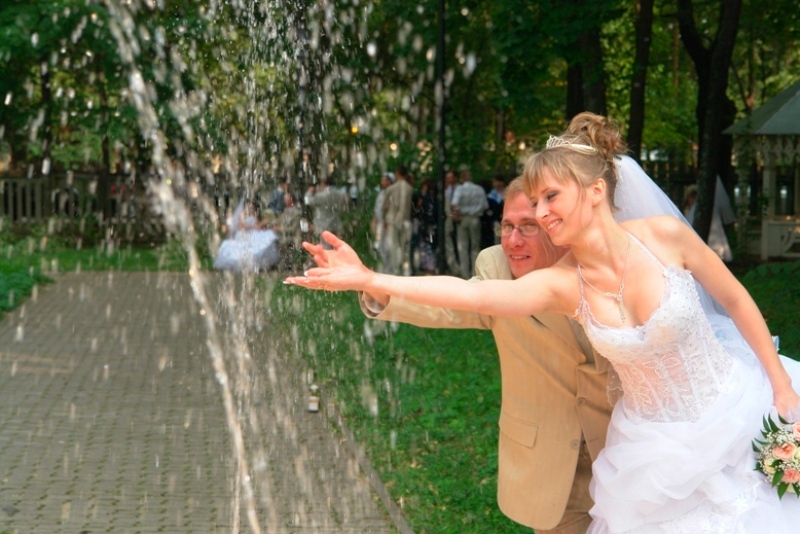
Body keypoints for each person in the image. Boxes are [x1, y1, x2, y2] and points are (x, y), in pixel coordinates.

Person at [287, 113, 800, 532]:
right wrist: (370, 278)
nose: (542, 211)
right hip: (651, 458)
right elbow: (473, 294)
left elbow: (735, 299)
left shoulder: (665, 235)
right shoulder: (562, 283)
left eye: (550, 198)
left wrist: (780, 386)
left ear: (595, 191)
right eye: (534, 202)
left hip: (735, 414)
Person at [304, 177, 611, 532]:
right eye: (506, 226)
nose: (513, 241)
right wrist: (369, 281)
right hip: (554, 468)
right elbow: (449, 304)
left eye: (528, 226)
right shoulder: (498, 269)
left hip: (625, 456)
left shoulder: (609, 271)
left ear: (558, 224)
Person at [214, 199, 280, 272]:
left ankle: (260, 264)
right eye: (250, 204)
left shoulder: (255, 213)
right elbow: (242, 226)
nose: (251, 206)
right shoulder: (243, 213)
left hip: (254, 232)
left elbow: (257, 225)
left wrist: (263, 224)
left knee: (266, 237)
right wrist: (254, 227)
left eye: (252, 204)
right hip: (244, 233)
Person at [451, 169, 489, 278]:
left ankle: (465, 274)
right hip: (475, 218)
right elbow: (485, 206)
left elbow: (455, 204)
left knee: (463, 247)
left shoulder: (460, 189)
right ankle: (474, 273)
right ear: (471, 178)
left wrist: (456, 216)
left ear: (462, 179)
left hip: (463, 218)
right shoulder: (479, 189)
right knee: (475, 247)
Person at [382, 165, 414, 275]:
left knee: (394, 246)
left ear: (397, 174)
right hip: (406, 220)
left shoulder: (391, 189)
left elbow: (385, 206)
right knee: (405, 246)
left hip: (392, 220)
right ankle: (405, 269)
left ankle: (396, 270)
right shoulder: (409, 188)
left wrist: (385, 218)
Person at [304, 175, 348, 247]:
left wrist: (309, 191)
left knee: (326, 248)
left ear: (324, 184)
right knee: (336, 246)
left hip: (323, 226)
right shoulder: (339, 195)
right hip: (336, 224)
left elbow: (307, 201)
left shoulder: (321, 196)